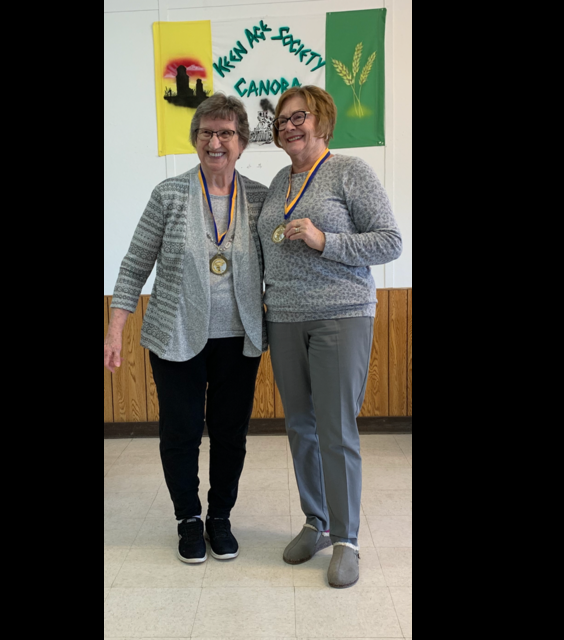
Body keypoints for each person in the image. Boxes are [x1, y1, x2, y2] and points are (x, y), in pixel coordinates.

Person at [104, 93, 268, 564]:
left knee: (230, 432)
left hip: (239, 337)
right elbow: (135, 263)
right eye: (206, 133)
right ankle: (188, 517)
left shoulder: (258, 196)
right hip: (175, 333)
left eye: (226, 133)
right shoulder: (170, 194)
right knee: (180, 431)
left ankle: (220, 516)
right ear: (196, 140)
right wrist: (115, 327)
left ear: (241, 142)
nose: (215, 142)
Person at [258, 86, 402, 588]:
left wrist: (326, 240)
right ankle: (315, 522)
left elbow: (389, 240)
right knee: (300, 425)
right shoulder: (279, 181)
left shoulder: (349, 171)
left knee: (336, 429)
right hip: (285, 318)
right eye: (282, 121)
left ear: (322, 120)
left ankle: (346, 539)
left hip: (341, 314)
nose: (290, 126)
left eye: (299, 117)